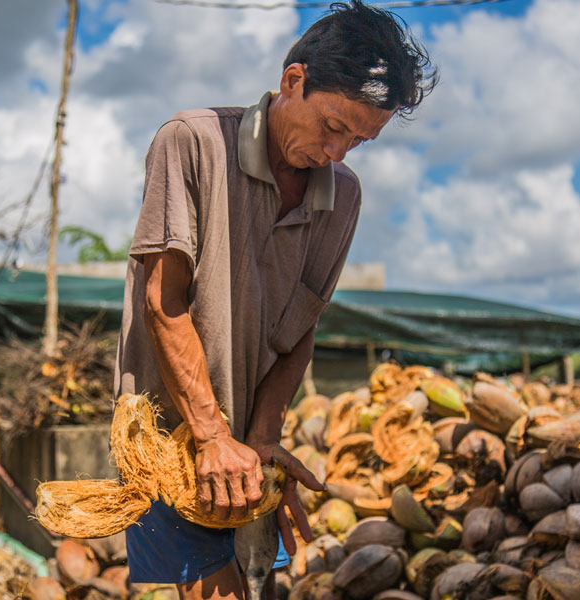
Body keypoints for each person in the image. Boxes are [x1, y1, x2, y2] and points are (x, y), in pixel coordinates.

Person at [112, 2, 435, 599]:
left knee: (261, 583)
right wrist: (211, 437)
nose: (337, 152)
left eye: (360, 141)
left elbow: (302, 327)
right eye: (333, 127)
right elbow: (164, 301)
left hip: (250, 447)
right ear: (294, 81)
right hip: (175, 430)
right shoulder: (192, 141)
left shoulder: (343, 194)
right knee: (215, 590)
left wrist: (261, 439)